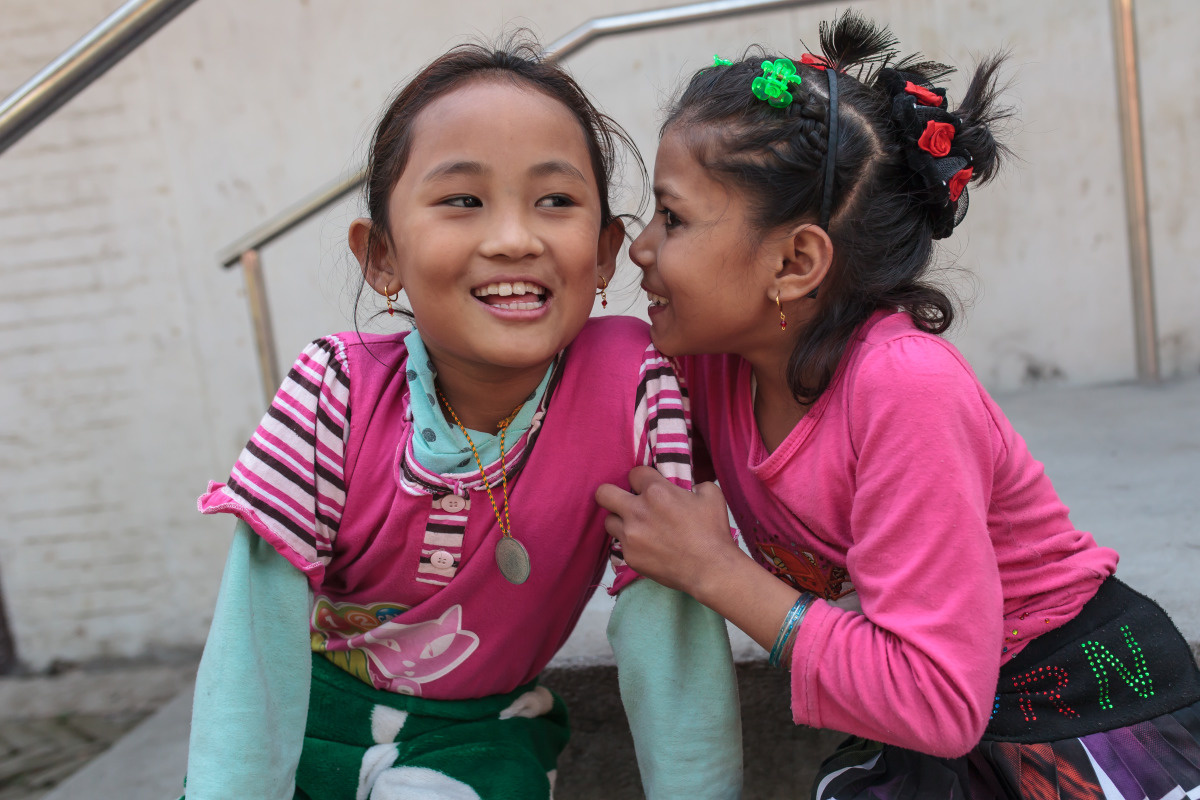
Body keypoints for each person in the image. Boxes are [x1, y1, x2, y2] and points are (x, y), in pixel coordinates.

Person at [597, 12, 1200, 799]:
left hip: (1071, 707)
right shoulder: (713, 364)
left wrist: (716, 571)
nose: (641, 248)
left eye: (672, 218)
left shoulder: (903, 387)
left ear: (795, 261)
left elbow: (938, 700)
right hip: (923, 713)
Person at [183, 39, 741, 800]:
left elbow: (669, 627)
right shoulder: (333, 390)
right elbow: (255, 637)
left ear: (607, 253)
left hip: (481, 734)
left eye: (556, 201)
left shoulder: (631, 388)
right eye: (462, 200)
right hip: (311, 714)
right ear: (382, 257)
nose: (514, 238)